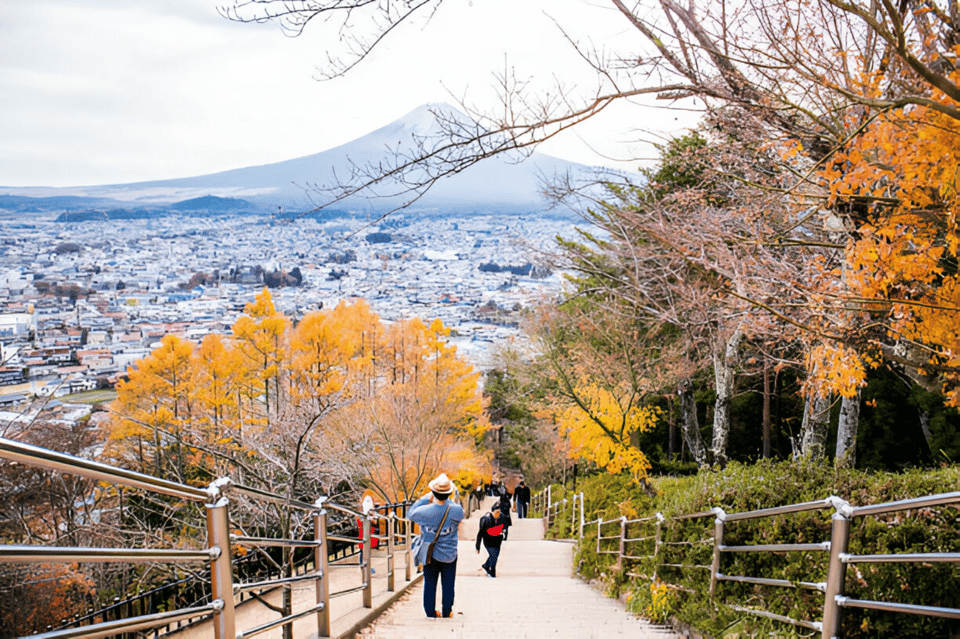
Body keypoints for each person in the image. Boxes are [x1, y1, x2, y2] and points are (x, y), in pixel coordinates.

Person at [408, 473, 464, 618]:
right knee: (448, 583)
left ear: (433, 492)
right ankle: (447, 610)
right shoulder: (456, 510)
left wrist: (425, 498)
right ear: (449, 493)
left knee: (430, 583)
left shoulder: (424, 512)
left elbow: (411, 513)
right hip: (449, 553)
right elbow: (458, 512)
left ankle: (430, 612)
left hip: (430, 552)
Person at [475, 501, 507, 577]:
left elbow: (505, 527)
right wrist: (477, 546)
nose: (498, 514)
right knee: (493, 554)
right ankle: (492, 571)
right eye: (496, 513)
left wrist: (504, 534)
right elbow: (480, 533)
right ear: (492, 512)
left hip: (498, 540)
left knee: (495, 555)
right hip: (488, 540)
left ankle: (486, 565)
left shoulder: (502, 517)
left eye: (499, 512)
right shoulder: (485, 520)